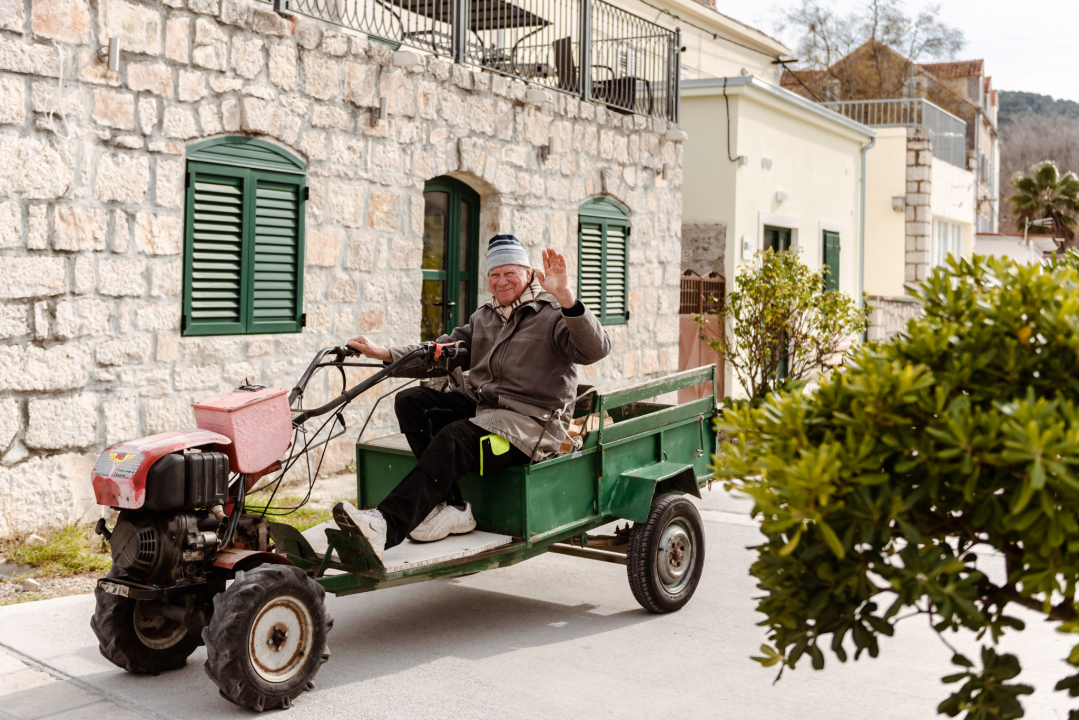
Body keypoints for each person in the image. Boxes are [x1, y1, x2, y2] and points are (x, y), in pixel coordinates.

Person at [333, 234, 612, 560]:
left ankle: (384, 524)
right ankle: (453, 507)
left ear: (529, 272)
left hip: (532, 424)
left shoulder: (553, 312)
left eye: (510, 272)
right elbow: (441, 352)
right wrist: (383, 353)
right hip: (488, 411)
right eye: (494, 274)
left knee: (455, 437)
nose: (501, 281)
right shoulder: (485, 317)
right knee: (412, 403)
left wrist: (566, 297)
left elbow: (596, 349)